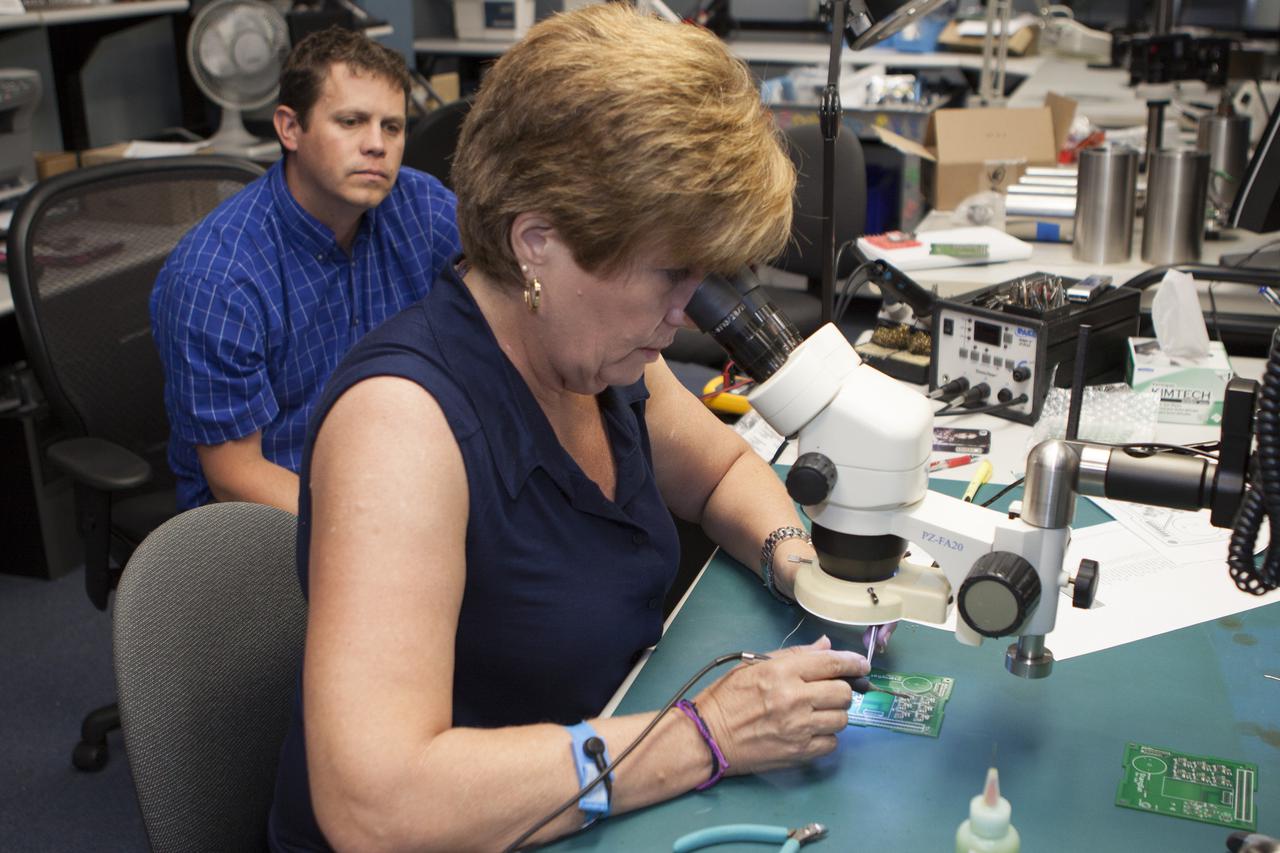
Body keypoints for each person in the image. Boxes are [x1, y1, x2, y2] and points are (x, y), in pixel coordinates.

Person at [268, 6, 879, 851]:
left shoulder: (605, 357)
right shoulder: (401, 427)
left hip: (587, 794)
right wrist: (703, 736)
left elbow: (718, 473)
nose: (685, 313)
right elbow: (377, 806)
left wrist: (797, 561)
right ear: (536, 244)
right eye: (671, 273)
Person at [150, 27, 462, 515]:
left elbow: (513, 283)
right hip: (278, 510)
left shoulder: (418, 206)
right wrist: (372, 526)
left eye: (393, 127)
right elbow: (235, 475)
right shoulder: (218, 278)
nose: (377, 145)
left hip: (399, 473)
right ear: (290, 129)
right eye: (352, 121)